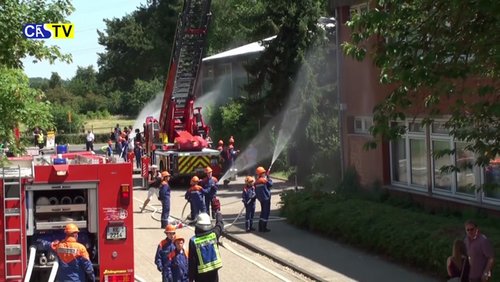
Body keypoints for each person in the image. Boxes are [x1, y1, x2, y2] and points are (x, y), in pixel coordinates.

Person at [188, 212, 224, 282]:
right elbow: (220, 226)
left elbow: (192, 262)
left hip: (200, 276)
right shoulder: (214, 235)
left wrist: (190, 279)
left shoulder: (193, 241)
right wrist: (218, 215)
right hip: (213, 273)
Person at [255, 166, 273, 232]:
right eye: (263, 173)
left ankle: (260, 227)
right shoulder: (264, 180)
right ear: (261, 173)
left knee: (262, 212)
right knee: (266, 213)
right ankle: (263, 228)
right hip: (266, 198)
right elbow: (270, 184)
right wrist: (269, 177)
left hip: (261, 199)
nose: (264, 173)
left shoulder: (256, 181)